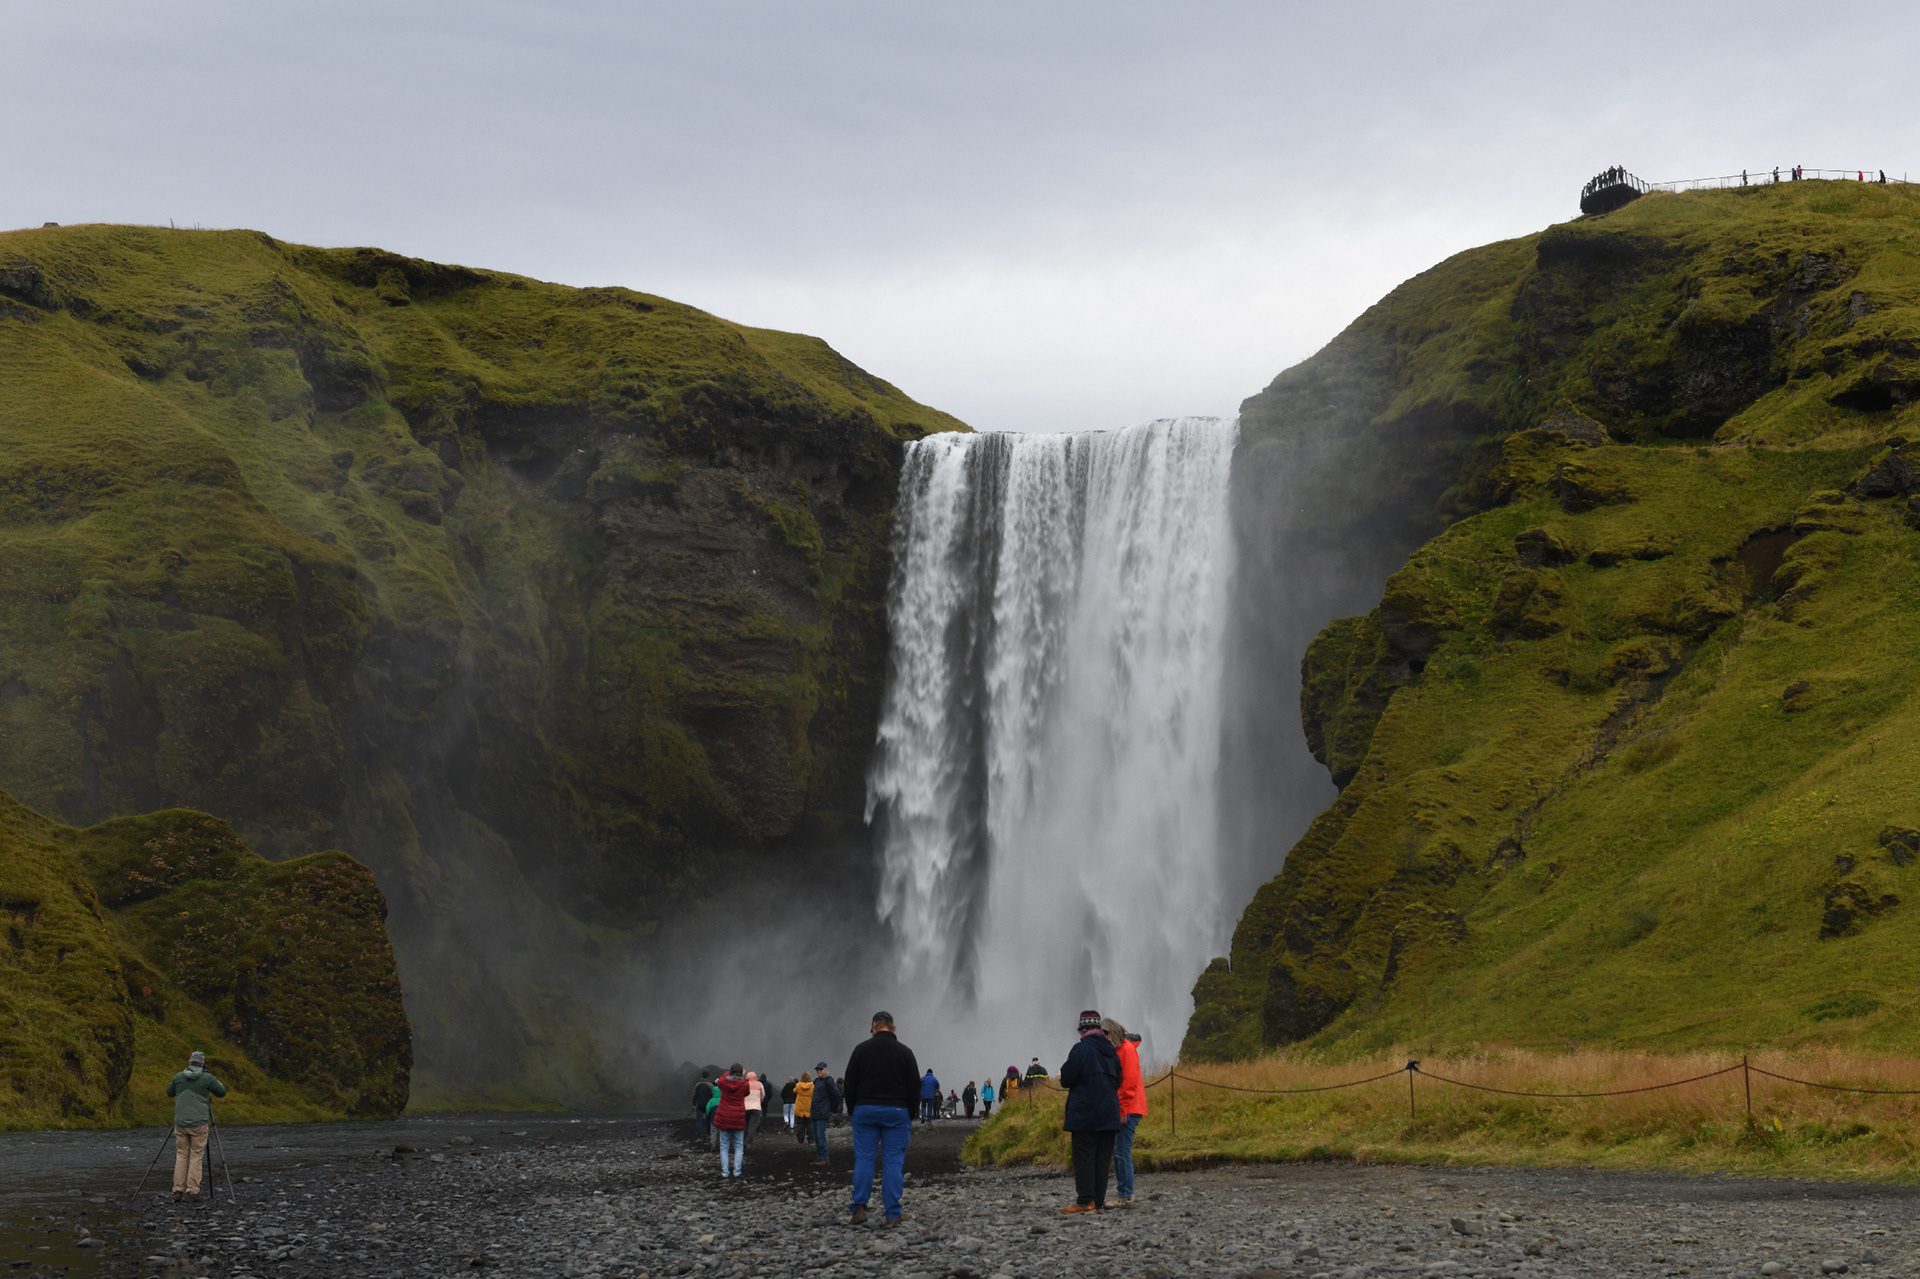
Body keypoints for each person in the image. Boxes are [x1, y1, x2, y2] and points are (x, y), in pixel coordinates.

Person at [841, 1010, 919, 1226]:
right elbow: (914, 1087)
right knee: (893, 1162)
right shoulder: (905, 1052)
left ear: (874, 1025)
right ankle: (893, 1213)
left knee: (864, 1159)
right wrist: (909, 1113)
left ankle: (859, 1209)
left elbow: (850, 1083)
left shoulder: (861, 1050)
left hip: (865, 1110)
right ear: (892, 1026)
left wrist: (854, 1109)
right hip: (896, 1112)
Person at [1058, 1009, 1122, 1215]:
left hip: (1086, 1112)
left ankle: (1086, 1201)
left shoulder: (1081, 1049)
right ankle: (1099, 1203)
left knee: (1084, 1156)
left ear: (1083, 1030)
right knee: (1102, 1159)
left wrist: (1062, 1075)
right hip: (1109, 1112)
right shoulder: (1111, 1051)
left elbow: (1067, 1078)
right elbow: (1118, 1081)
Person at [166, 1050, 227, 1202]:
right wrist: (210, 1077)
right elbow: (221, 1091)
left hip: (180, 1123)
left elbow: (169, 1092)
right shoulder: (207, 1078)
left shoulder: (178, 1076)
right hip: (199, 1123)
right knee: (196, 1155)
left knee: (181, 1155)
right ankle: (192, 1192)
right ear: (202, 1064)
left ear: (189, 1063)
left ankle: (177, 1190)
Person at [1105, 1020, 1147, 1206]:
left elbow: (1129, 1082)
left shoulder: (1127, 1049)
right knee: (1118, 1151)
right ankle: (1124, 1193)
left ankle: (1125, 1196)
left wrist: (1122, 1108)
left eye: (1105, 1034)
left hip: (1128, 1108)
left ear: (1112, 1032)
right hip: (1124, 1107)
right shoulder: (1118, 1050)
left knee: (1121, 1151)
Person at [713, 1065, 750, 1179]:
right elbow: (747, 1093)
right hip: (738, 1117)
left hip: (724, 1117)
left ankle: (725, 1172)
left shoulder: (723, 1082)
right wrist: (742, 1076)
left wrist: (727, 1073)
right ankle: (737, 1172)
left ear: (730, 1072)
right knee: (738, 1146)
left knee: (724, 1146)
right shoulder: (744, 1084)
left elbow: (720, 1079)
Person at [809, 1062, 840, 1164]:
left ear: (826, 1070)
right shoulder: (816, 1081)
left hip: (822, 1112)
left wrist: (831, 1109)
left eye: (821, 1069)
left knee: (820, 1136)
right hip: (815, 1112)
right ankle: (820, 1157)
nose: (818, 1071)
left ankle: (825, 1157)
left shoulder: (828, 1081)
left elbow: (837, 1095)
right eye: (817, 1069)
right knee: (816, 1136)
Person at [691, 1070, 715, 1141]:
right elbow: (713, 1095)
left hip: (699, 1105)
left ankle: (698, 1136)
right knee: (709, 1120)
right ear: (708, 1076)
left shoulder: (697, 1085)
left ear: (701, 1076)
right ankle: (708, 1134)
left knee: (699, 1120)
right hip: (708, 1105)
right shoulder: (710, 1085)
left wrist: (694, 1104)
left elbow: (694, 1095)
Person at [743, 1070, 765, 1144]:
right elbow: (763, 1095)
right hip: (756, 1107)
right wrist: (760, 1101)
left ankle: (744, 1139)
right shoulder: (759, 1084)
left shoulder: (745, 1084)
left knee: (745, 1124)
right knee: (752, 1125)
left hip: (745, 1107)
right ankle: (748, 1141)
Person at [793, 1071, 815, 1144]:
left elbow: (794, 1091)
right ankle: (810, 1141)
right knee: (810, 1125)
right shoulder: (812, 1086)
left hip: (800, 1108)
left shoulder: (798, 1085)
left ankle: (800, 1141)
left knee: (800, 1124)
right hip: (809, 1107)